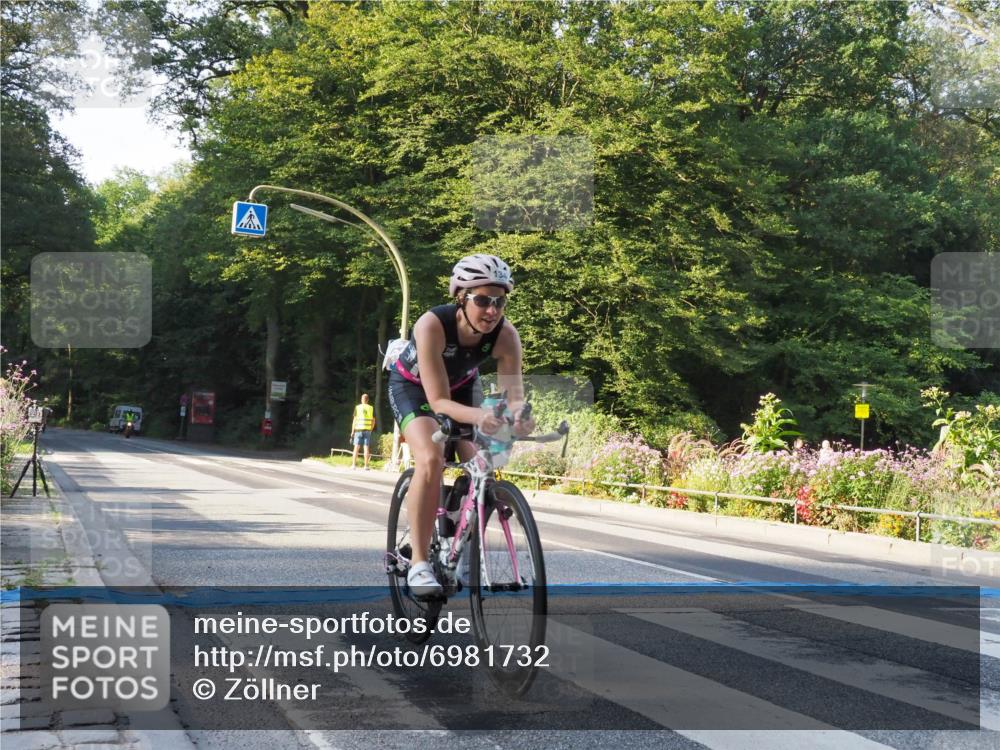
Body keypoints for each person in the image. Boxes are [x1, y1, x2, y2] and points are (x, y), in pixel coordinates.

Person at [387, 254, 535, 597]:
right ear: (461, 297)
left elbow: (514, 396)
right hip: (415, 389)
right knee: (431, 459)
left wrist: (520, 416)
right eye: (482, 300)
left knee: (481, 464)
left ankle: (458, 537)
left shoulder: (506, 334)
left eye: (499, 302)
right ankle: (421, 564)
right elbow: (438, 403)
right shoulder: (431, 325)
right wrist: (480, 417)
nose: (492, 310)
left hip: (464, 387)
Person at [350, 394, 375, 469]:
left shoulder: (358, 407)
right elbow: (373, 420)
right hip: (367, 430)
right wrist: (371, 429)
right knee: (366, 448)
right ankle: (366, 466)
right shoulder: (371, 408)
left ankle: (354, 465)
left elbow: (354, 420)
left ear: (361, 399)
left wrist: (352, 431)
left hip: (358, 430)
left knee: (356, 447)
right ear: (368, 400)